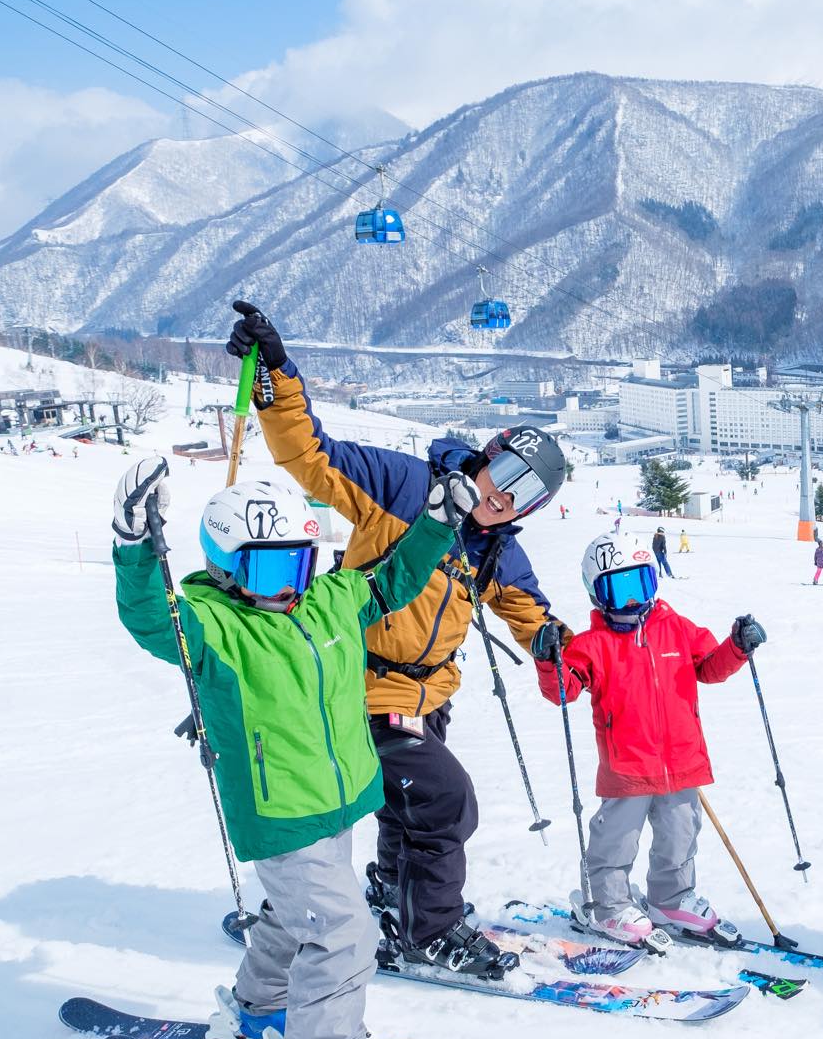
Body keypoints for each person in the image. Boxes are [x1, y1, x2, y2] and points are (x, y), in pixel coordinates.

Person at [110, 455, 473, 1039]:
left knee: (295, 911)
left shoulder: (329, 602)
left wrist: (438, 525)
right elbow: (150, 619)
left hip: (336, 799)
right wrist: (136, 545)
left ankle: (260, 1006)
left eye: (299, 562)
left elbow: (394, 579)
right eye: (268, 567)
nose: (288, 585)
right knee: (344, 932)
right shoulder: (215, 626)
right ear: (226, 566)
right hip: (278, 810)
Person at [229, 305, 567, 981]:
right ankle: (427, 931)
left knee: (411, 808)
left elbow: (527, 607)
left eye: (522, 495)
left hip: (428, 692)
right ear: (487, 452)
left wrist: (554, 643)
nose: (500, 495)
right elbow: (312, 456)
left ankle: (397, 891)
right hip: (359, 682)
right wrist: (275, 375)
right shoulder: (407, 486)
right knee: (446, 800)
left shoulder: (492, 546)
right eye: (503, 471)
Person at [534, 533, 763, 948]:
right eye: (617, 591)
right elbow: (562, 691)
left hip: (682, 761)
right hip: (627, 766)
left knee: (680, 835)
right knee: (615, 840)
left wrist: (737, 647)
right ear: (596, 593)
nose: (631, 602)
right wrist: (549, 661)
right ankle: (610, 906)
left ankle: (670, 899)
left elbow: (710, 668)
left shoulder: (678, 629)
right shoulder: (593, 645)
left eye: (639, 586)